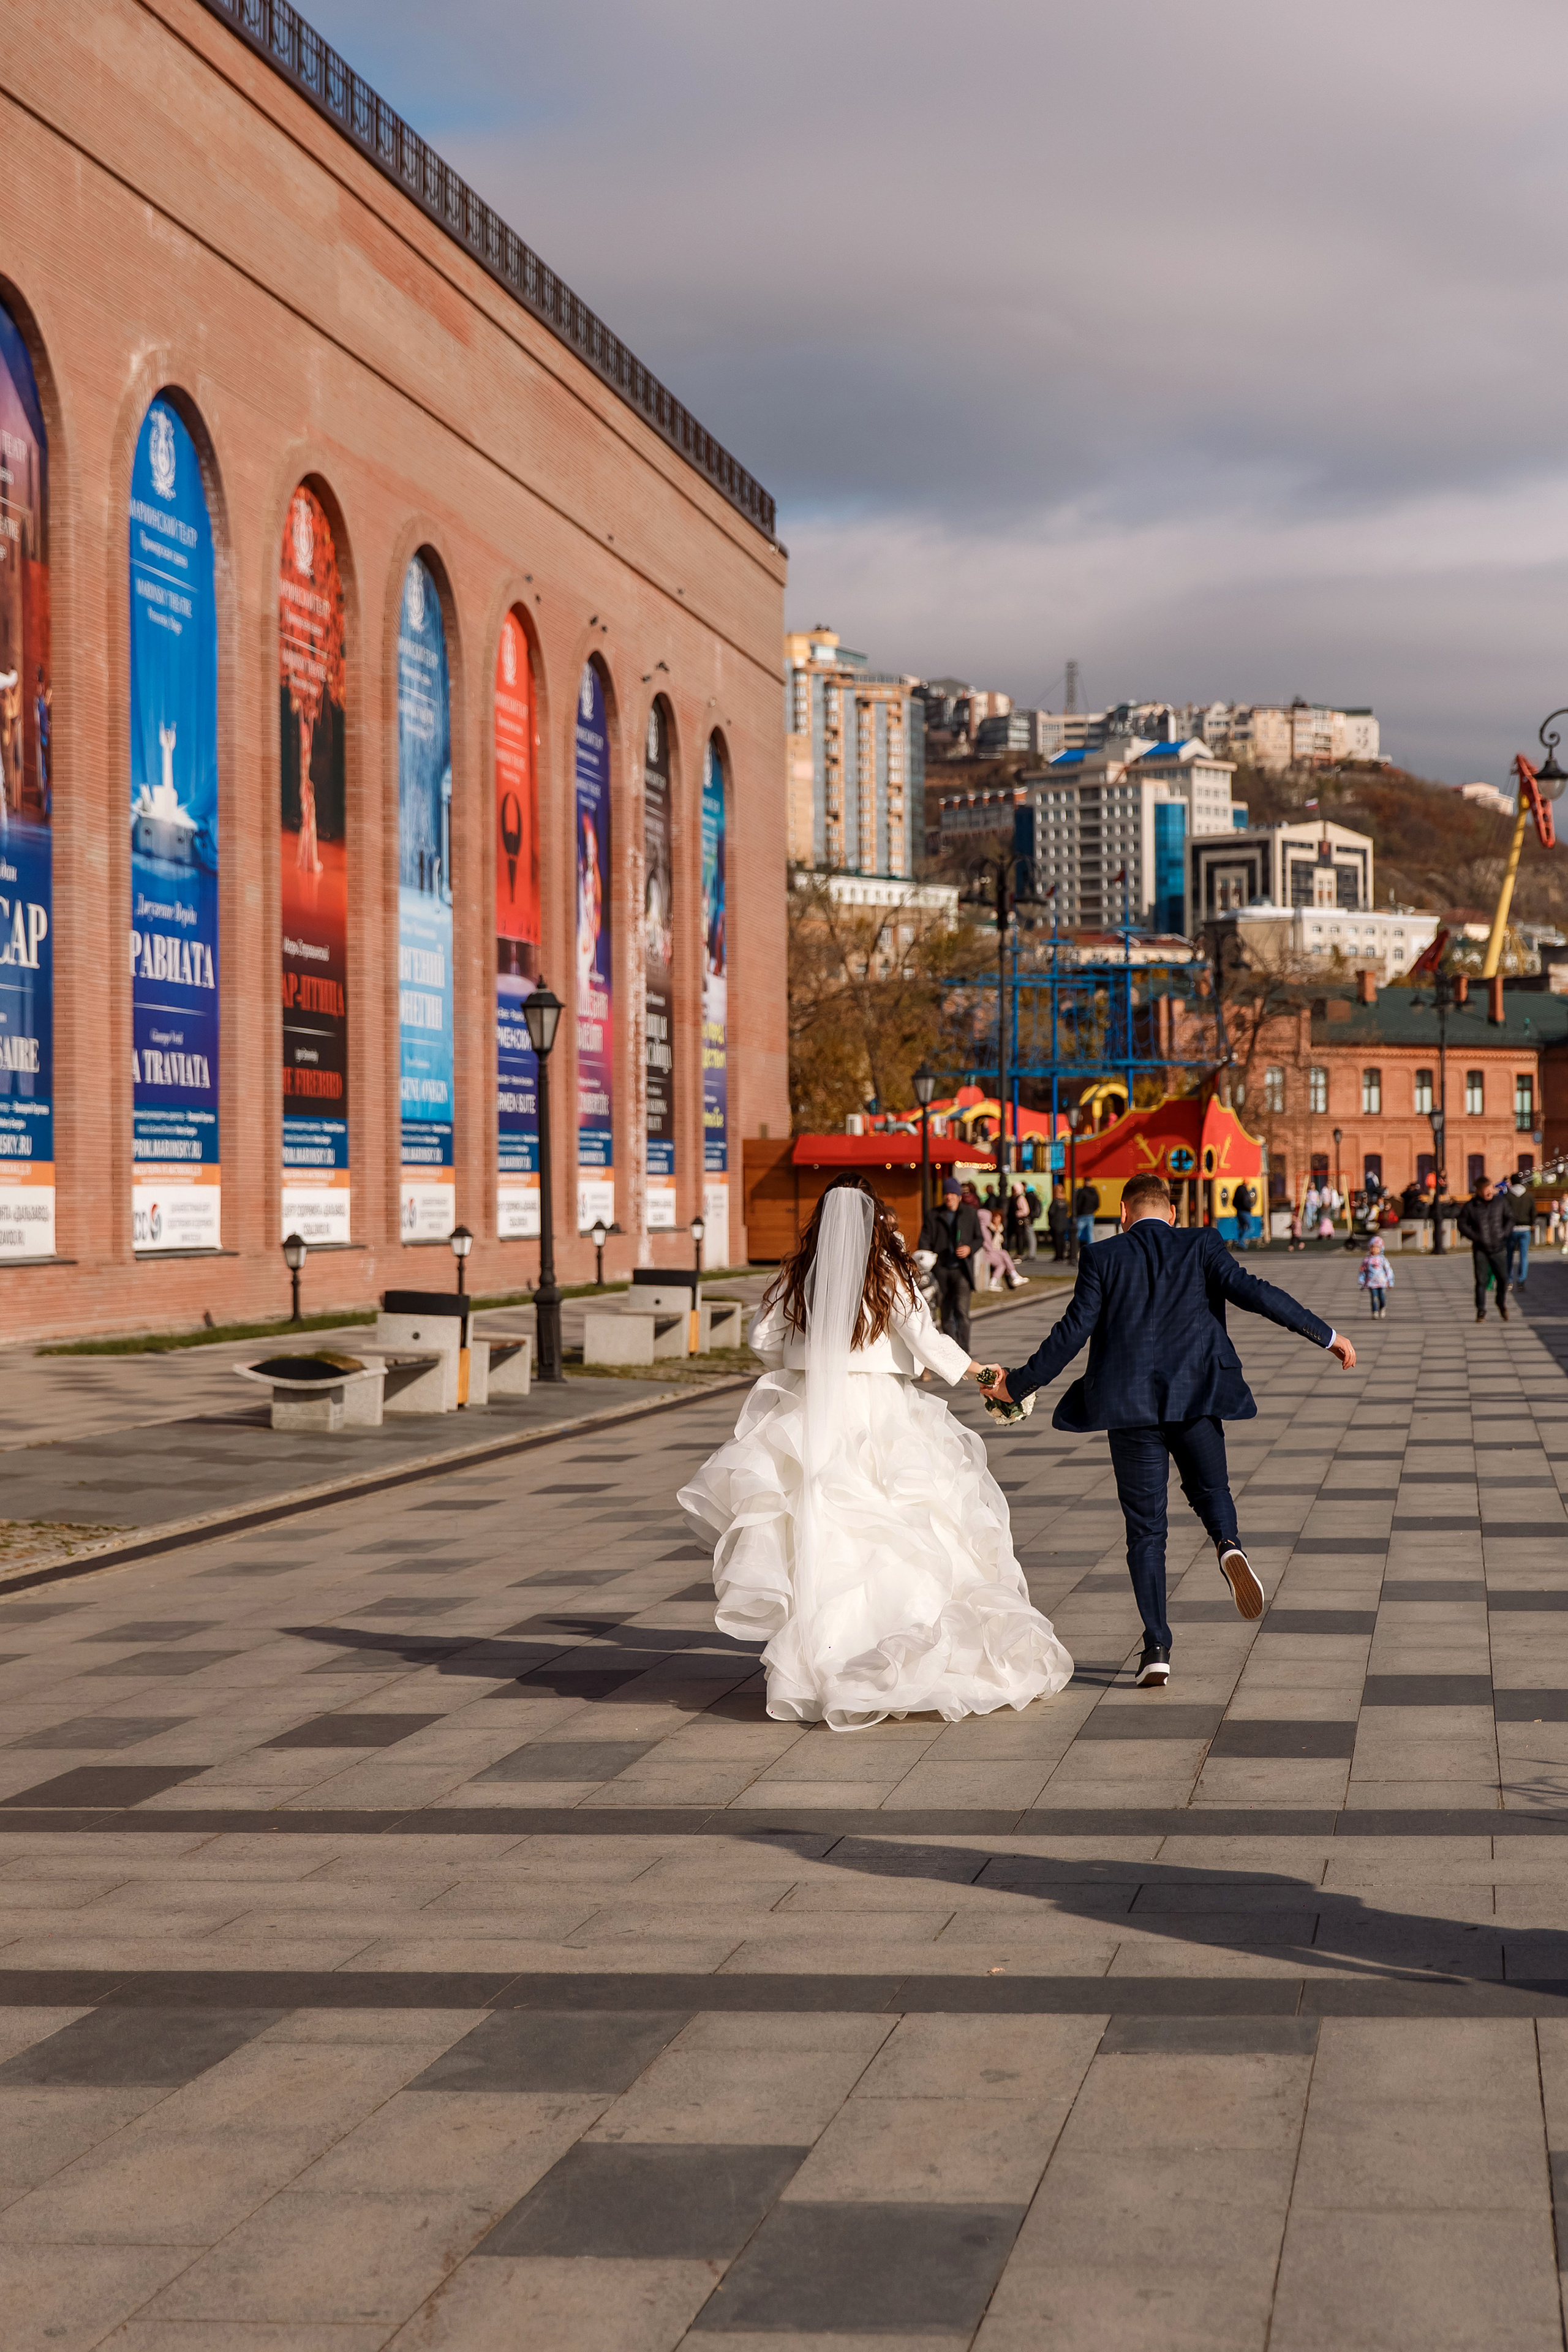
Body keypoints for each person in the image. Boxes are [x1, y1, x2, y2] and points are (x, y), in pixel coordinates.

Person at [679, 1176, 1074, 1729]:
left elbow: (761, 1339)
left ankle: (825, 1658)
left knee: (826, 1532)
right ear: (872, 1221)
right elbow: (925, 1340)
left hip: (813, 1411)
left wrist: (808, 1362)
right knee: (901, 1523)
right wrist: (985, 1374)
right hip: (881, 1412)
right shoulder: (886, 1272)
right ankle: (899, 1642)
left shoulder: (797, 1274)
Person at [979, 1170, 1355, 1689]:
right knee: (1212, 1490)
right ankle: (1228, 1545)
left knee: (1146, 1531)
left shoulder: (1102, 1256)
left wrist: (1017, 1384)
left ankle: (1156, 1646)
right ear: (1173, 1213)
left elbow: (1072, 1332)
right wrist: (1326, 1335)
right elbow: (1255, 1293)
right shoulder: (1202, 1244)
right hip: (1196, 1398)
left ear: (1124, 1214)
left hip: (1129, 1409)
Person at [917, 1177, 981, 1351]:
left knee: (962, 1311)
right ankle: (952, 1351)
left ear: (959, 1196)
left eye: (952, 1193)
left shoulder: (970, 1213)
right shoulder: (933, 1215)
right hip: (942, 1271)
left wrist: (969, 1248)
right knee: (945, 1313)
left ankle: (964, 1350)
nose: (949, 1197)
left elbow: (979, 1238)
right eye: (946, 1194)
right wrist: (928, 1259)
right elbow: (925, 1241)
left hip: (962, 1270)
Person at [1457, 1174, 1515, 1323]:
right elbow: (1462, 1224)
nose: (1489, 1192)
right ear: (1478, 1191)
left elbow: (1510, 1218)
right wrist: (1475, 1236)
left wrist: (1504, 1233)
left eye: (1491, 1188)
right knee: (1481, 1281)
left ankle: (1500, 1302)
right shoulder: (1471, 1206)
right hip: (1481, 1249)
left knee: (1503, 1278)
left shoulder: (1500, 1203)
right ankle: (1481, 1310)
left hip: (1499, 1247)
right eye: (1485, 1190)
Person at [971, 1183, 1027, 1291]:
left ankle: (994, 1282)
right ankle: (1014, 1276)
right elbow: (988, 1246)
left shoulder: (989, 1228)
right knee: (1004, 1254)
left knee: (1002, 1263)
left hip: (989, 1253)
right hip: (986, 1255)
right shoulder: (984, 1230)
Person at [1358, 1235, 1394, 1317]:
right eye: (1373, 1248)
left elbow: (1388, 1270)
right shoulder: (1367, 1260)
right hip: (1371, 1283)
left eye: (1377, 1248)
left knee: (1382, 1297)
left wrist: (1390, 1281)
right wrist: (1362, 1282)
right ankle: (1375, 1311)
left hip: (1382, 1282)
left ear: (1381, 1249)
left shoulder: (1383, 1260)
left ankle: (1382, 1307)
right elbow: (1363, 1271)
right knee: (1374, 1297)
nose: (1374, 1250)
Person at [1507, 1172, 1532, 1288]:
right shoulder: (1528, 1196)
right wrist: (1531, 1223)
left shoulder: (1508, 1196)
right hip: (1525, 1228)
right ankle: (1521, 1280)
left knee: (1509, 1255)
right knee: (1524, 1256)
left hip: (1511, 1229)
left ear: (1511, 1182)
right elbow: (1533, 1211)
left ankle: (1509, 1280)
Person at [1072, 1179, 1100, 1257]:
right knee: (1090, 1234)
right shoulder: (1094, 1192)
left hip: (1083, 1215)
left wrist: (1078, 1212)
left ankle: (1074, 1249)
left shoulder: (1082, 1192)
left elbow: (1078, 1203)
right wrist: (1093, 1210)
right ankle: (1092, 1252)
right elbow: (1098, 1204)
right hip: (1091, 1215)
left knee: (1077, 1233)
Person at [1046, 1182, 1070, 1262]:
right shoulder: (1065, 1201)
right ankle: (1062, 1255)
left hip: (1056, 1223)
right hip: (1064, 1223)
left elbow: (1051, 1212)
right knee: (1062, 1240)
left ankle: (1058, 1256)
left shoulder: (1055, 1201)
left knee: (1057, 1241)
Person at [1232, 1179, 1256, 1250]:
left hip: (1239, 1211)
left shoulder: (1238, 1190)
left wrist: (1238, 1208)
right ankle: (1241, 1243)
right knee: (1251, 1228)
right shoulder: (1244, 1191)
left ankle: (1238, 1242)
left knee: (1242, 1227)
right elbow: (1245, 1201)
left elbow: (1234, 1202)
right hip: (1245, 1212)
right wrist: (1249, 1207)